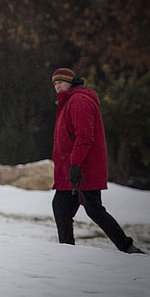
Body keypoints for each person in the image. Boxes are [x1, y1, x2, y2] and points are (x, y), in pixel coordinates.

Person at [51, 68, 144, 254]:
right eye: (55, 83)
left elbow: (84, 138)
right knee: (64, 209)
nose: (57, 85)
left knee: (92, 209)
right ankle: (67, 252)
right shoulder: (68, 102)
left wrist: (75, 165)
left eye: (61, 81)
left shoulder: (79, 100)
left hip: (83, 169)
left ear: (72, 82)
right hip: (72, 170)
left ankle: (126, 247)